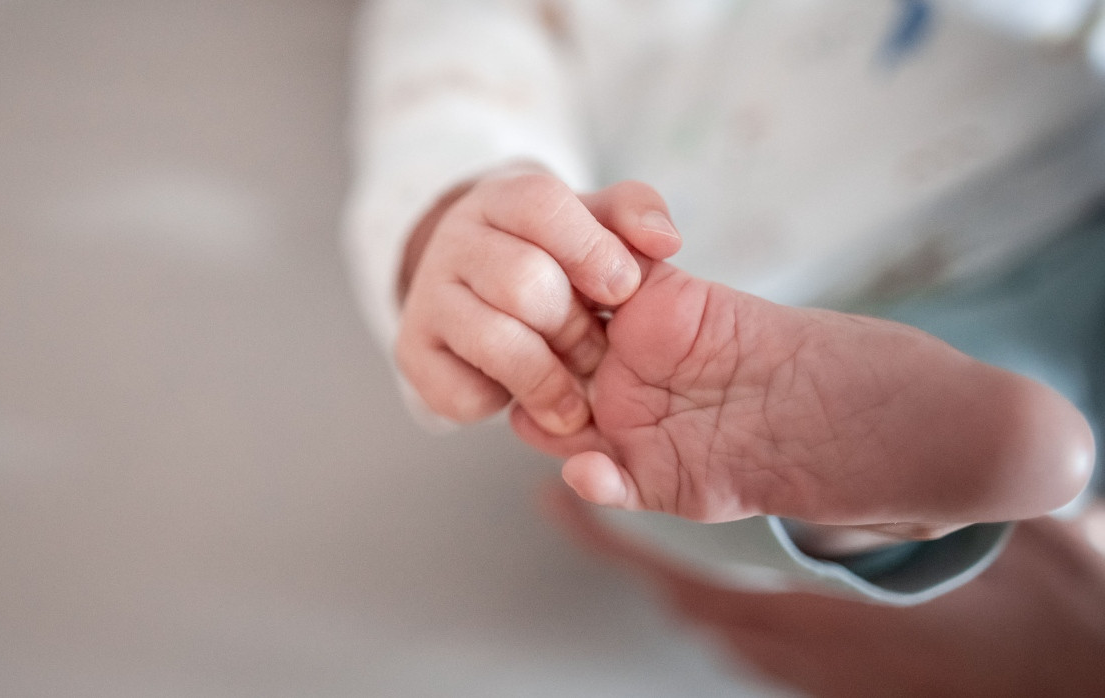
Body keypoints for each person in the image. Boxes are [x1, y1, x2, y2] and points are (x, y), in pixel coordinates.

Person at [343, 1, 1104, 601]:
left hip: (1041, 221)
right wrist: (461, 216)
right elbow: (451, 74)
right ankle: (847, 508)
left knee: (1033, 371)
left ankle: (867, 504)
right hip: (665, 307)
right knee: (637, 445)